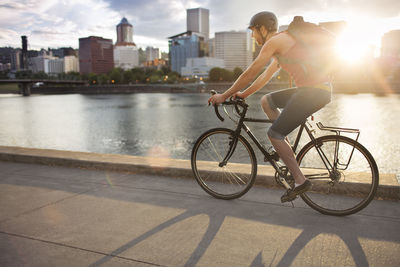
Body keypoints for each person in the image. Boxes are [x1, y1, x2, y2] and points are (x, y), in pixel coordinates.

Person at [208, 11, 332, 203]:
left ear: (263, 28)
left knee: (274, 134)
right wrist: (243, 94)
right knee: (267, 101)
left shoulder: (275, 42)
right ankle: (283, 147)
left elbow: (249, 73)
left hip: (311, 92)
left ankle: (300, 181)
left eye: (253, 31)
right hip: (313, 90)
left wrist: (223, 96)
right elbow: (264, 77)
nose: (252, 36)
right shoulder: (282, 45)